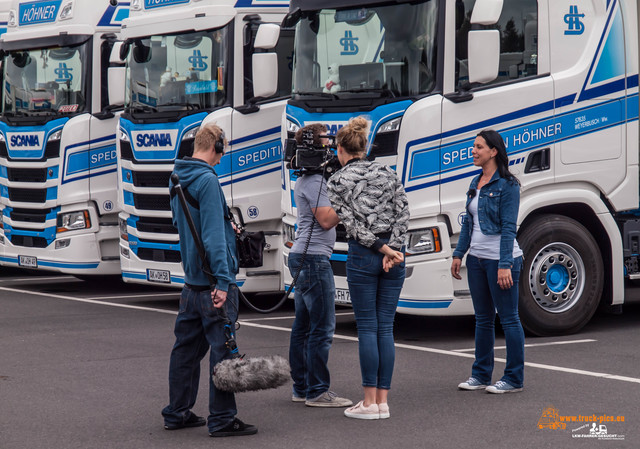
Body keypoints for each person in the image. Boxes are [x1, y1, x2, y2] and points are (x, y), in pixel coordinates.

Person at [162, 124, 257, 437]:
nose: (220, 159)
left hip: (191, 284)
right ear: (216, 146)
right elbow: (215, 236)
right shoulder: (207, 180)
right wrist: (222, 280)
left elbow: (182, 225)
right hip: (213, 285)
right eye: (221, 152)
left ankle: (177, 412)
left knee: (185, 352)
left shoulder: (177, 177)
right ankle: (222, 419)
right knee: (223, 352)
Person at [327, 116, 409, 420]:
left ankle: (369, 402)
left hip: (364, 255)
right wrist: (395, 249)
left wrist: (381, 249)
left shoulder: (337, 181)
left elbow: (352, 225)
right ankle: (383, 403)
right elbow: (404, 211)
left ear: (341, 149)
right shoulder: (388, 172)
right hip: (395, 255)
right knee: (385, 328)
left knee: (368, 328)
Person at [451, 129, 525, 394]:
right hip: (478, 260)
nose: (474, 151)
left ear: (493, 151)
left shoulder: (508, 185)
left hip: (501, 261)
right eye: (474, 146)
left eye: (479, 147)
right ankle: (480, 375)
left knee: (509, 319)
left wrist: (505, 264)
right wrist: (459, 254)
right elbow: (469, 223)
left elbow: (508, 228)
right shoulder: (475, 182)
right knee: (482, 318)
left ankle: (514, 379)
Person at [288, 123, 353, 408]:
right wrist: (349, 199)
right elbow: (326, 220)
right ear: (314, 145)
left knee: (303, 326)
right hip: (313, 259)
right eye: (327, 140)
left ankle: (302, 387)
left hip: (305, 257)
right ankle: (317, 391)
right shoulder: (314, 182)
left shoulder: (309, 179)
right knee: (322, 327)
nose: (331, 145)